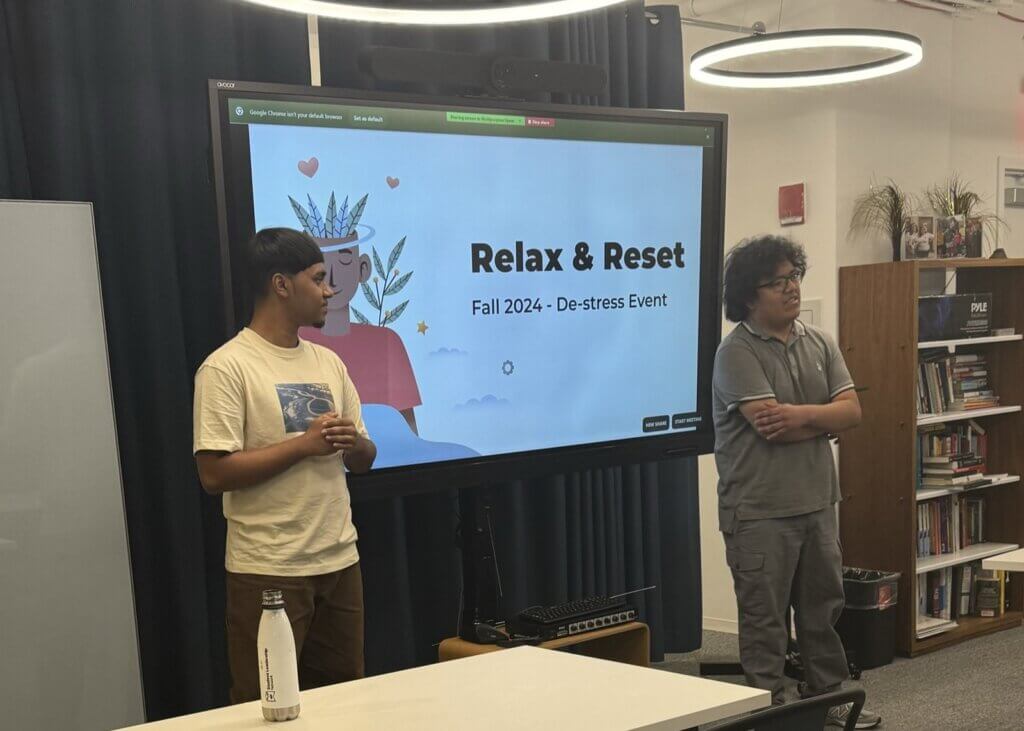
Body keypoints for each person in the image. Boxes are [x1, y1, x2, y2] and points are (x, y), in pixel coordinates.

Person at [193, 227, 377, 703]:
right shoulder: (227, 367)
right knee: (266, 706)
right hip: (268, 571)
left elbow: (365, 461)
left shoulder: (329, 362)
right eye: (318, 279)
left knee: (344, 703)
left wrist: (352, 441)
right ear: (281, 285)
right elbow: (213, 474)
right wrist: (304, 445)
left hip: (339, 560)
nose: (329, 290)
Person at [711, 235, 880, 729]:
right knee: (764, 621)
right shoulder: (735, 353)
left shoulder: (820, 341)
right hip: (758, 511)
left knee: (821, 612)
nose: (791, 288)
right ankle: (775, 713)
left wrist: (805, 415)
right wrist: (823, 420)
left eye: (794, 277)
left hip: (817, 503)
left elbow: (853, 412)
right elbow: (773, 429)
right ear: (748, 295)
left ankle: (828, 702)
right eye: (777, 282)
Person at [299, 237, 422, 434]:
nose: (331, 278)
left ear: (363, 268)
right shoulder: (294, 341)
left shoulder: (386, 341)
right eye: (319, 270)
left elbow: (409, 434)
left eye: (344, 261)